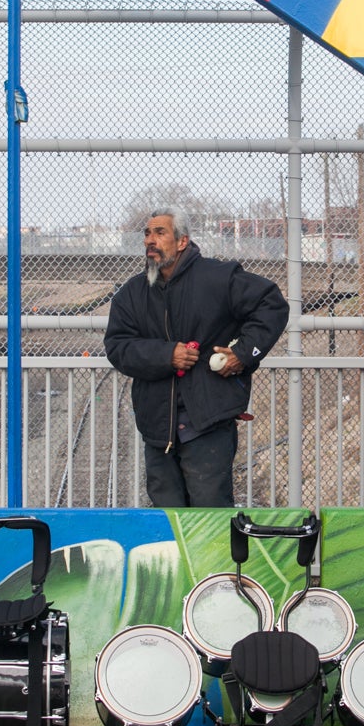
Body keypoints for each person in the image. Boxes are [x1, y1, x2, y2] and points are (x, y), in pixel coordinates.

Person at [104, 207, 288, 507]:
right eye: (147, 233)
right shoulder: (132, 293)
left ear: (182, 241)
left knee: (210, 518)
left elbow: (272, 304)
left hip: (208, 424)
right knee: (168, 521)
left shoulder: (218, 277)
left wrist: (242, 354)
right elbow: (117, 346)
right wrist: (166, 355)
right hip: (158, 428)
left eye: (160, 232)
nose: (151, 240)